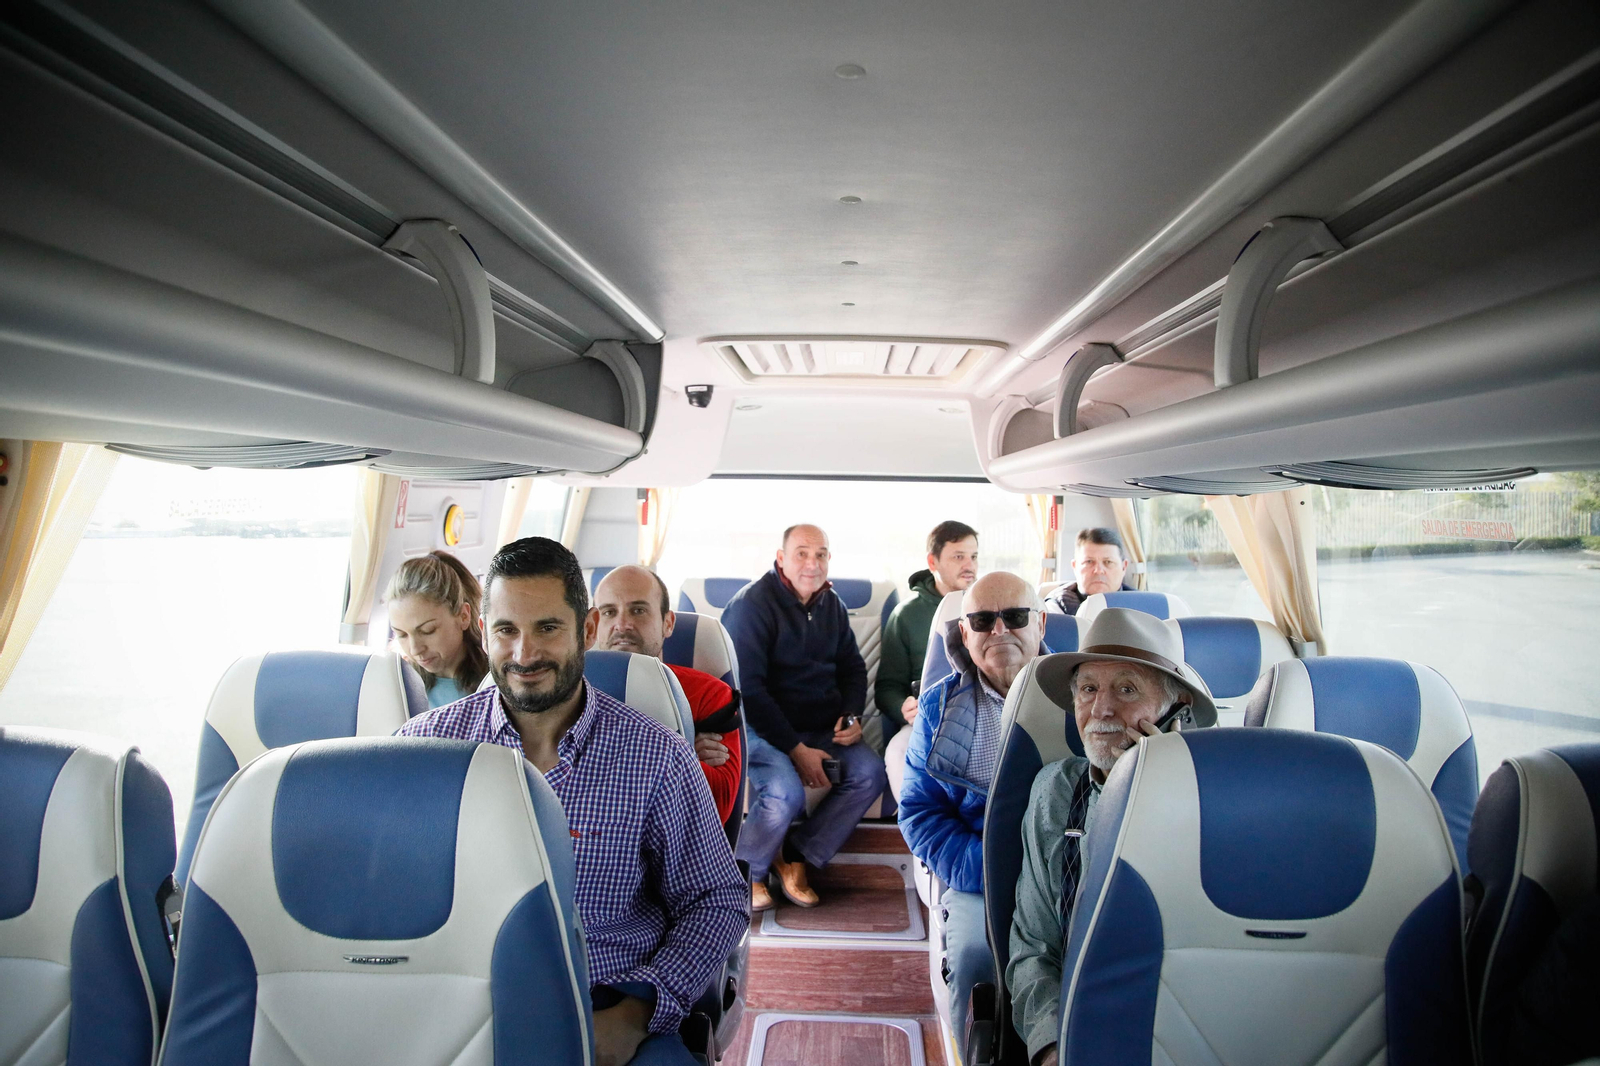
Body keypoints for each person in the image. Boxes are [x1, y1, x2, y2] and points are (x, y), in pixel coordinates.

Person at [397, 538, 747, 1066]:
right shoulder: (423, 751)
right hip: (460, 1006)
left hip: (609, 1002)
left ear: (585, 630)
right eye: (506, 630)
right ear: (484, 633)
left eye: (547, 628)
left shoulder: (655, 755)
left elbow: (716, 899)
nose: (524, 654)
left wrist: (634, 1015)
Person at [1007, 608, 1215, 1066]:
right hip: (1082, 1028)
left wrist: (1156, 789)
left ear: (1175, 708)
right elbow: (1034, 948)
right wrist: (1053, 1047)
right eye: (1088, 689)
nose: (1102, 709)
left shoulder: (1214, 803)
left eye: (1127, 689)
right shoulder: (1055, 793)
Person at [897, 571, 1050, 1050]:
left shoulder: (1085, 697)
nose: (999, 630)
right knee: (974, 960)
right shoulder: (938, 708)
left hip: (1067, 877)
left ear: (1040, 624)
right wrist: (991, 870)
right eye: (983, 620)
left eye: (1016, 617)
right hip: (977, 872)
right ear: (965, 633)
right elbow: (919, 812)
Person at [721, 523, 886, 913]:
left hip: (821, 726)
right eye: (802, 553)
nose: (812, 563)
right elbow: (751, 693)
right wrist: (797, 750)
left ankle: (797, 854)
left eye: (821, 554)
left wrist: (850, 715)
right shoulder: (751, 606)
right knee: (784, 794)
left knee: (869, 774)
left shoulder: (832, 604)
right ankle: (746, 873)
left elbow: (853, 669)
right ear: (781, 558)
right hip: (761, 727)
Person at [591, 564, 743, 825]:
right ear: (592, 625)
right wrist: (684, 756)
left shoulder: (710, 695)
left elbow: (716, 809)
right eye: (609, 612)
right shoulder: (571, 693)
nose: (622, 624)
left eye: (638, 610)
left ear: (668, 623)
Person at [877, 520, 979, 798]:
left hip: (983, 718)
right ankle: (918, 835)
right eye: (958, 557)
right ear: (932, 561)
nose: (969, 565)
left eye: (973, 556)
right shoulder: (906, 615)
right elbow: (886, 688)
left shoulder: (988, 607)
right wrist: (903, 706)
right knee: (898, 753)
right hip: (926, 722)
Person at [383, 549, 488, 707]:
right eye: (401, 635)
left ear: (463, 616)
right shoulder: (396, 682)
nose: (415, 650)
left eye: (428, 631)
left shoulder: (495, 682)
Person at [1043, 527, 1137, 616]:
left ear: (1124, 567)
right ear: (1075, 566)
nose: (1099, 570)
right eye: (1089, 562)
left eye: (1108, 562)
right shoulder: (1057, 606)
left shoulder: (1139, 603)